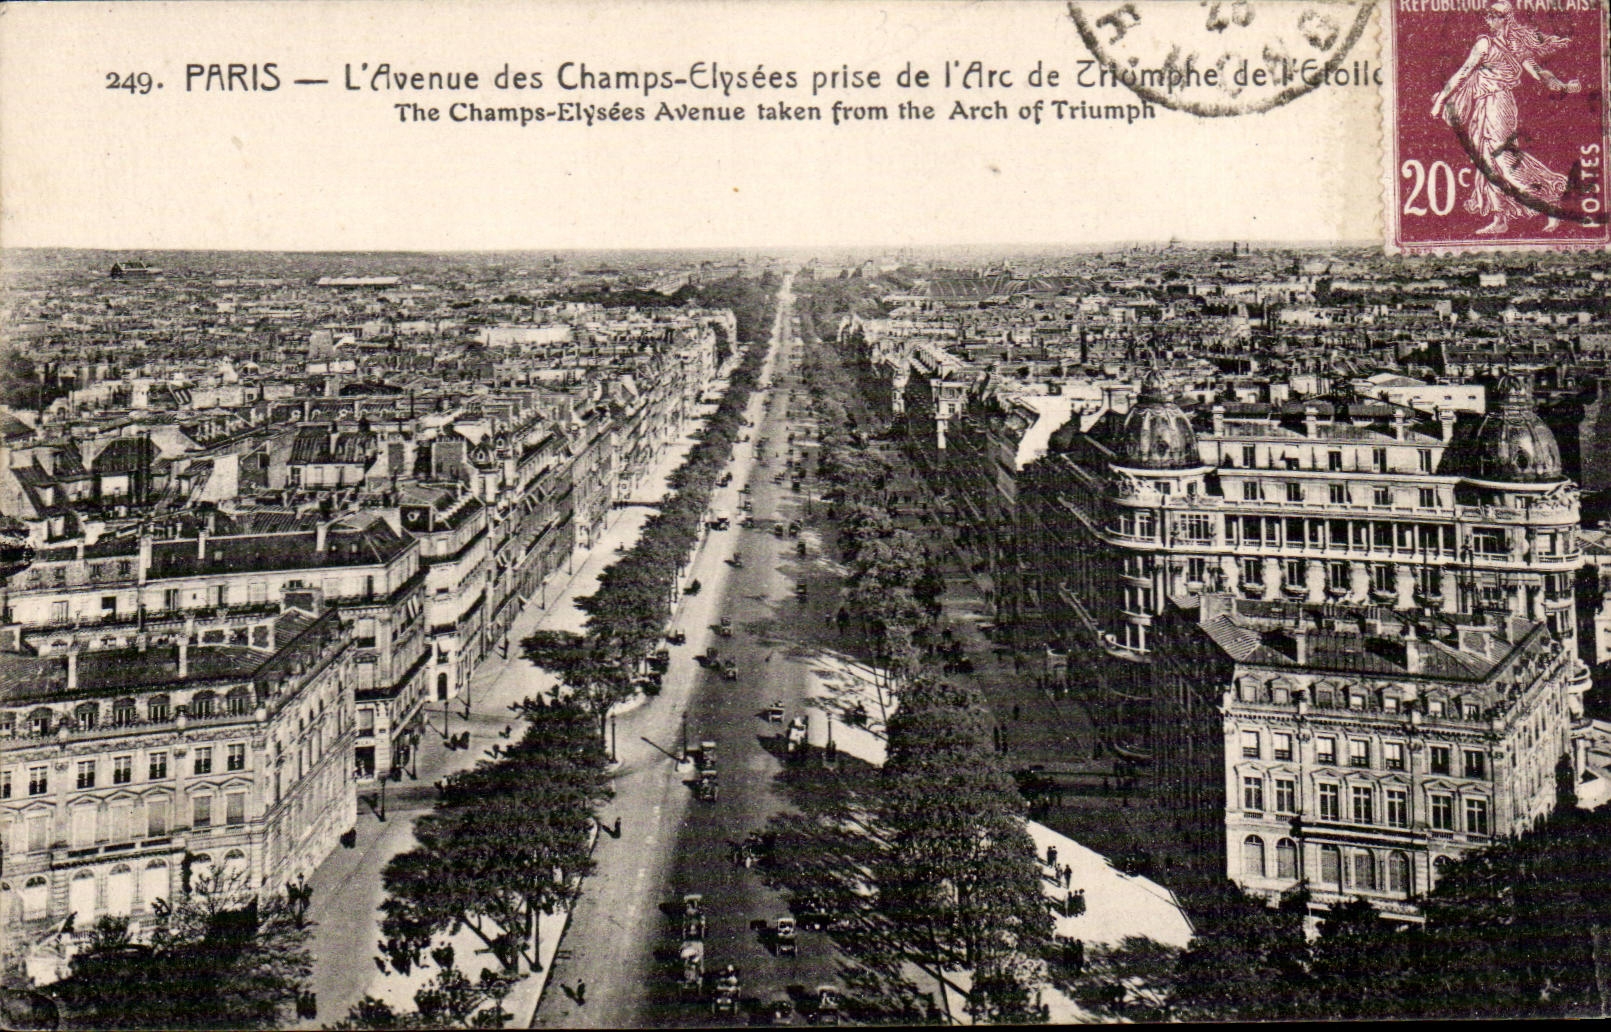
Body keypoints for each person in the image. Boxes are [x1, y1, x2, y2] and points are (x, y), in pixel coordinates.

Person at [1430, 0, 1580, 235]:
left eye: (1494, 16)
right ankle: (1500, 219)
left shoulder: (1509, 45)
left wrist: (1561, 85)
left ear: (1506, 19)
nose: (1489, 20)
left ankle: (1549, 204)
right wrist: (1441, 99)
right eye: (1488, 16)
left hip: (1499, 104)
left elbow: (1538, 73)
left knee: (1504, 160)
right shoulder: (1485, 43)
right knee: (1486, 162)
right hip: (1483, 106)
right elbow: (1463, 73)